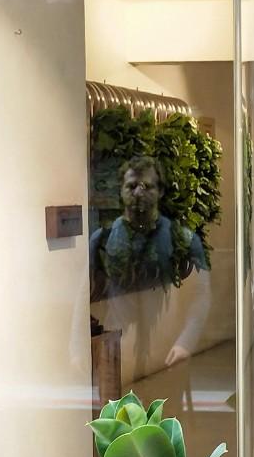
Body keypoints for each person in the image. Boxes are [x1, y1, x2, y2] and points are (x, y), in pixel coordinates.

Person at [90, 155, 211, 368]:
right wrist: (78, 350)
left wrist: (186, 341)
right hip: (118, 352)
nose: (139, 193)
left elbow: (201, 295)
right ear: (121, 190)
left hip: (167, 351)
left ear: (160, 191)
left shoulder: (183, 239)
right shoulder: (102, 239)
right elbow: (84, 293)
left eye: (147, 186)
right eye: (131, 186)